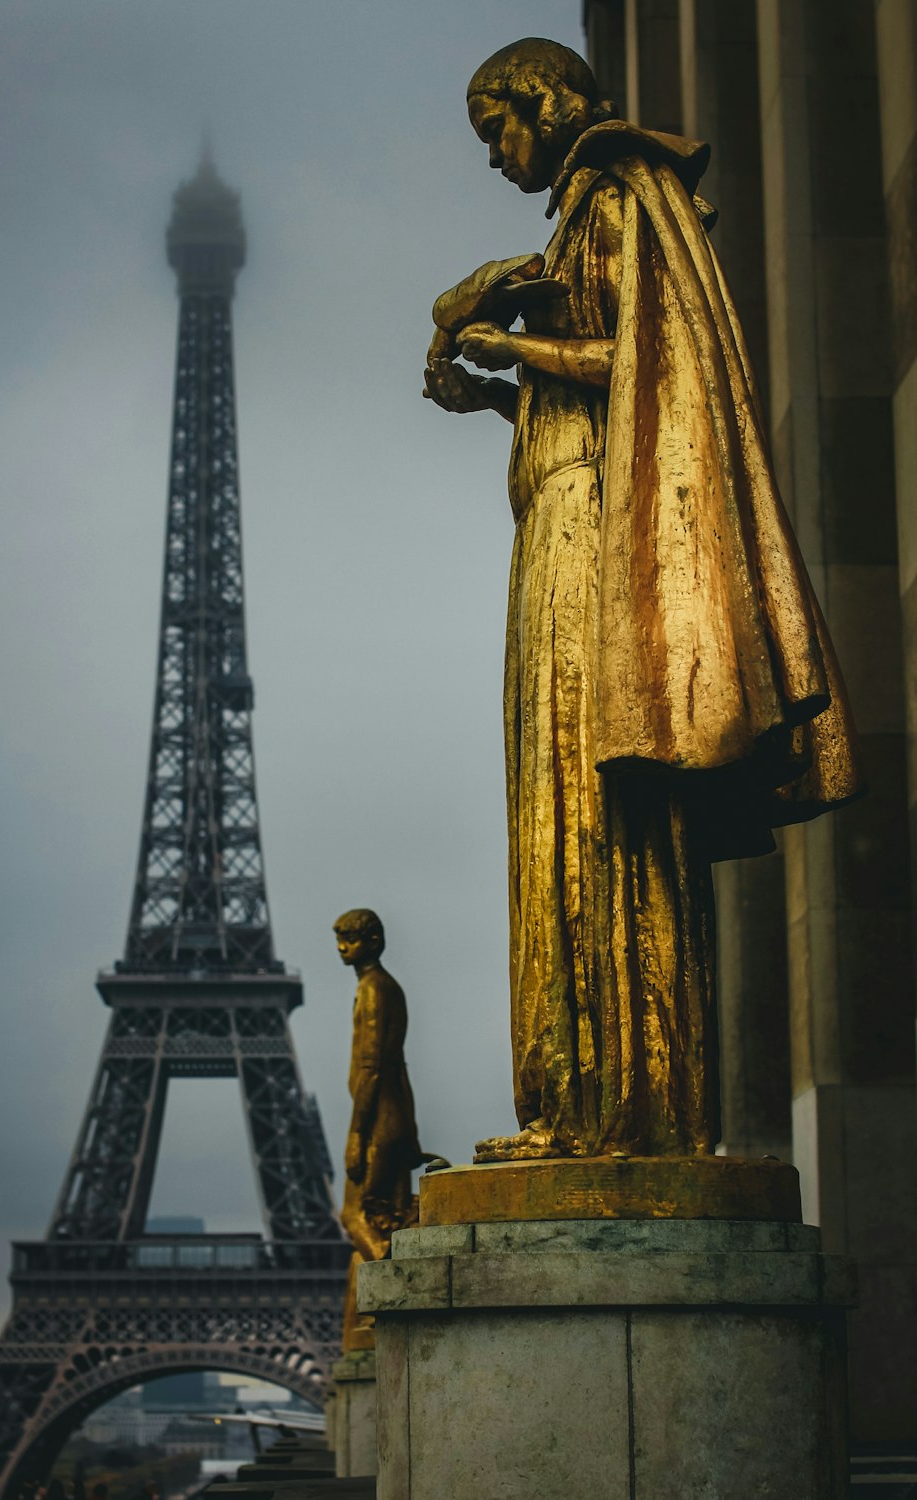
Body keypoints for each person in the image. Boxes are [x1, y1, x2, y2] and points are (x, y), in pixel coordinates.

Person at [424, 37, 861, 1163]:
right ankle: (575, 1101)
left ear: (544, 102)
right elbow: (602, 383)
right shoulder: (581, 215)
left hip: (588, 536)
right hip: (560, 525)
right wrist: (490, 389)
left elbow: (646, 362)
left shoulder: (623, 191)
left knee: (594, 805)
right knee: (564, 811)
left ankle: (621, 1111)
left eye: (496, 130)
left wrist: (500, 338)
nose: (494, 157)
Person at [333, 908, 425, 1346]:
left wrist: (356, 1134)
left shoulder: (373, 989)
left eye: (349, 939)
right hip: (395, 1114)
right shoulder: (388, 987)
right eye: (339, 939)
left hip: (376, 1118)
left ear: (372, 941)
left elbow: (370, 1066)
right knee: (386, 1215)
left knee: (354, 1214)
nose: (340, 948)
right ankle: (396, 1296)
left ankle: (394, 1281)